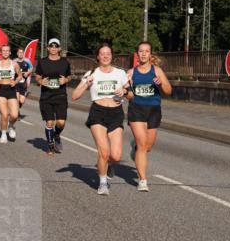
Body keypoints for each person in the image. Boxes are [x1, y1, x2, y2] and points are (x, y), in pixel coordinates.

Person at [71, 43, 131, 195]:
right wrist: (86, 84)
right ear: (97, 56)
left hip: (116, 113)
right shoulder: (92, 73)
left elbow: (132, 95)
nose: (105, 56)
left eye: (108, 53)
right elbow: (74, 96)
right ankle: (102, 183)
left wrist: (124, 91)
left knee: (116, 156)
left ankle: (107, 164)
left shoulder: (120, 73)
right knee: (104, 151)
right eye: (102, 54)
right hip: (97, 112)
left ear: (112, 56)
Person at [127, 41, 172, 192]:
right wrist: (128, 91)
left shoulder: (157, 71)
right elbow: (127, 94)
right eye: (141, 51)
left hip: (153, 110)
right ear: (137, 54)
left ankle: (135, 150)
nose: (144, 53)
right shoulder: (131, 73)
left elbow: (168, 90)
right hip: (137, 109)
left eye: (147, 51)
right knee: (142, 144)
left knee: (148, 146)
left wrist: (160, 84)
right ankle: (142, 180)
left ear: (150, 54)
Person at [34, 38, 72, 155]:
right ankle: (50, 146)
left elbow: (69, 76)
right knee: (49, 122)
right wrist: (41, 81)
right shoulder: (42, 62)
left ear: (59, 48)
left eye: (56, 46)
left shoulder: (65, 62)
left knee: (61, 123)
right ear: (48, 48)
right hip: (46, 96)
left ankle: (56, 135)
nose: (54, 49)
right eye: (51, 46)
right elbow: (37, 76)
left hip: (60, 95)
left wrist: (65, 79)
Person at [0, 44, 22, 143]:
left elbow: (19, 76)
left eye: (7, 51)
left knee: (14, 115)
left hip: (11, 89)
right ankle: (3, 134)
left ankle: (11, 126)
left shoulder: (14, 64)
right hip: (1, 90)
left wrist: (15, 81)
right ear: (0, 52)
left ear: (10, 52)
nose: (5, 52)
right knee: (4, 114)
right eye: (3, 51)